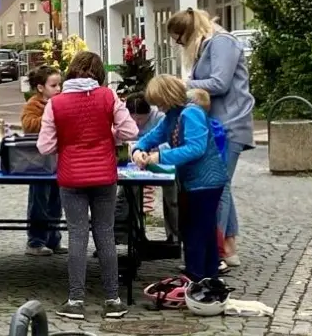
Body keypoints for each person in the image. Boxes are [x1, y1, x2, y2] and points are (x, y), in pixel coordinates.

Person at [37, 51, 140, 321]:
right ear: (99, 74)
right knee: (105, 233)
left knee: (77, 235)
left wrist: (68, 144)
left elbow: (44, 146)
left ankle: (75, 300)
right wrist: (109, 134)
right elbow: (131, 132)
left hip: (71, 177)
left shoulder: (56, 103)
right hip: (104, 176)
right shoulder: (108, 96)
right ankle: (113, 300)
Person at [168, 9, 253, 270]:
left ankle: (214, 253)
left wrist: (184, 85)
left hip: (229, 124)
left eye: (179, 39)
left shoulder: (221, 42)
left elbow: (220, 83)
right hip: (218, 124)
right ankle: (228, 248)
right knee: (221, 185)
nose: (179, 45)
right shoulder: (208, 45)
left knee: (216, 186)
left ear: (189, 32)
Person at [133, 77, 230, 286]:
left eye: (159, 102)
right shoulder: (172, 115)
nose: (158, 107)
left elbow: (196, 148)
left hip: (206, 182)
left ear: (168, 97)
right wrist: (138, 149)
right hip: (193, 182)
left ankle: (196, 278)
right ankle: (207, 278)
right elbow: (152, 136)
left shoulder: (191, 113)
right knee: (199, 230)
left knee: (196, 232)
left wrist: (160, 157)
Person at [19, 65, 64, 257]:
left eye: (59, 85)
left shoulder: (61, 102)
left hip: (58, 161)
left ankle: (54, 239)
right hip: (38, 162)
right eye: (53, 85)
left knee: (56, 201)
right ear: (40, 87)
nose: (58, 89)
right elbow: (28, 125)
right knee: (39, 201)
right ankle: (35, 241)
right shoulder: (33, 105)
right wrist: (50, 117)